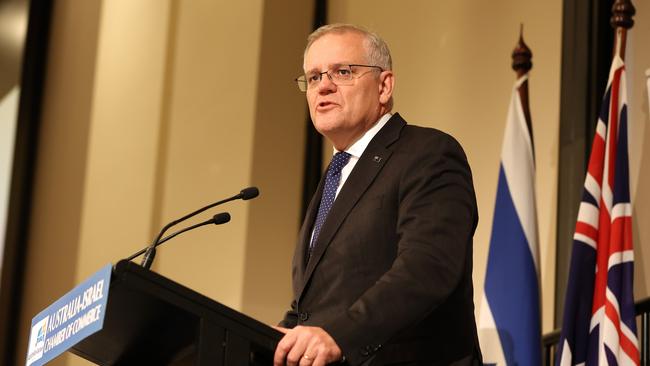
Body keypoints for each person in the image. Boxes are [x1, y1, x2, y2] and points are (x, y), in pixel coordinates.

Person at [273, 24, 482, 366]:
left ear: (384, 86)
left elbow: (427, 267)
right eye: (312, 77)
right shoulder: (334, 177)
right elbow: (315, 305)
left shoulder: (427, 153)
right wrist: (274, 340)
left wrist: (340, 334)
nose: (323, 86)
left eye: (342, 72)